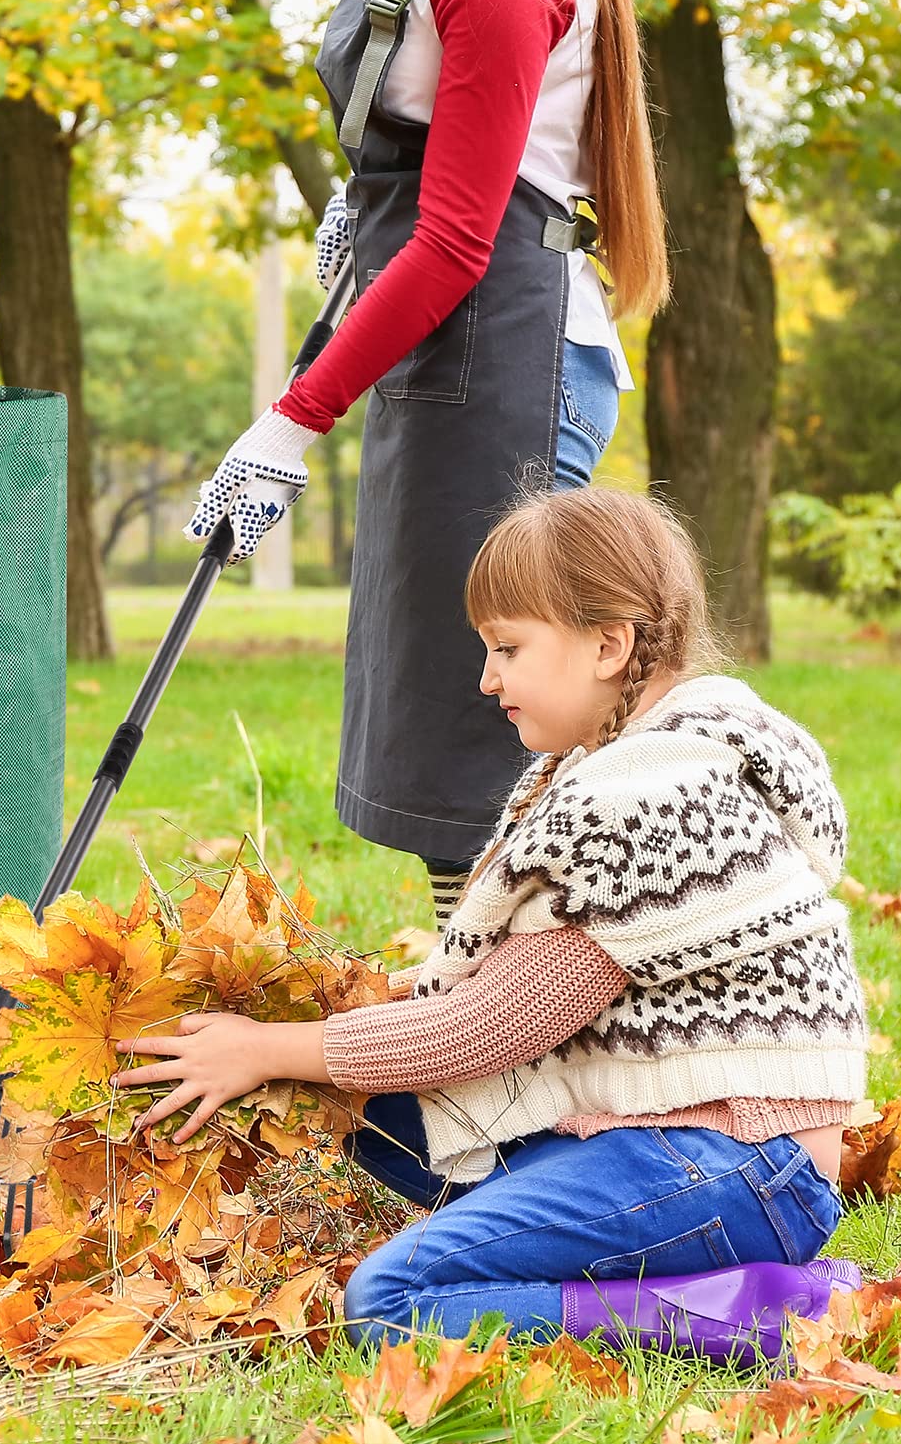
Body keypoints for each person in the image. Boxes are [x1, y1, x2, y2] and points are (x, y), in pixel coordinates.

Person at [118, 488, 868, 1362]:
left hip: (737, 1168)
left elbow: (485, 1027)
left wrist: (262, 1047)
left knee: (390, 1299)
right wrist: (313, 1020)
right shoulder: (633, 760)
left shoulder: (648, 798)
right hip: (682, 1141)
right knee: (373, 1103)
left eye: (507, 648)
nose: (487, 679)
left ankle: (754, 1313)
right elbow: (483, 996)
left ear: (607, 643)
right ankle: (632, 1269)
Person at [183, 0, 671, 929]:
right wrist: (361, 196)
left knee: (491, 738)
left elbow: (454, 242)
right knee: (445, 720)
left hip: (502, 348)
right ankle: (474, 1025)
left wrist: (288, 419)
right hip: (437, 340)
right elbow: (424, 123)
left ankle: (530, 1038)